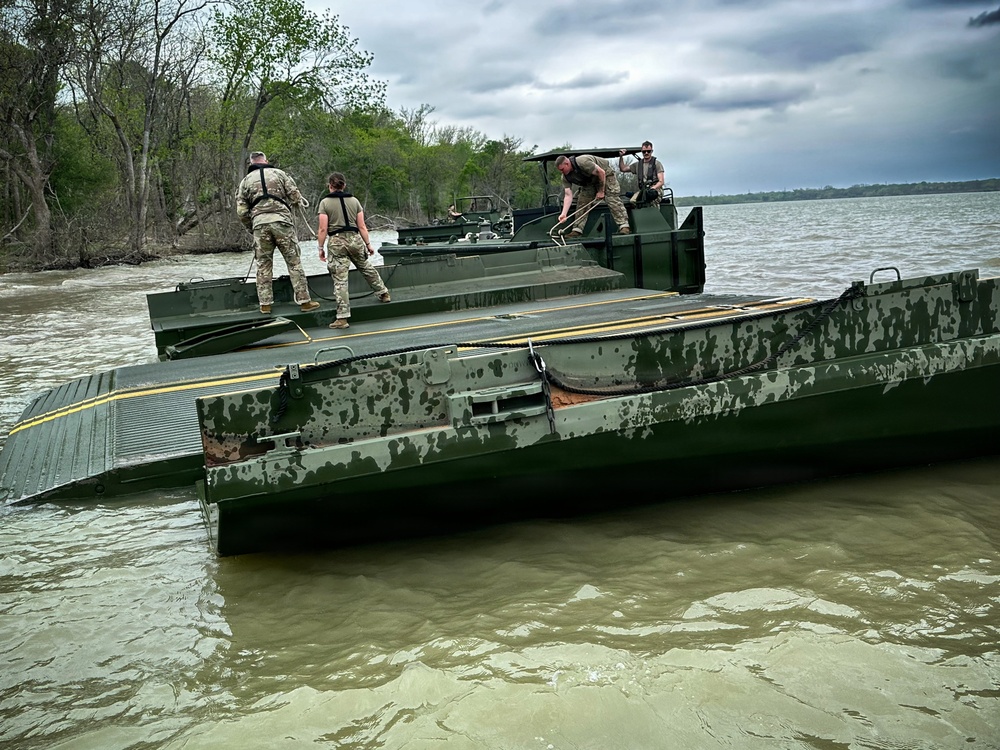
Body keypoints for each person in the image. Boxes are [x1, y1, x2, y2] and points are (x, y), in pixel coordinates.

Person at [236, 151, 320, 314]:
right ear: (266, 160)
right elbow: (295, 197)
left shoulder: (245, 181)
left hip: (260, 224)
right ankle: (304, 302)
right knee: (293, 262)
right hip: (282, 223)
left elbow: (241, 211)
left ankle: (265, 305)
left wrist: (251, 227)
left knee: (263, 265)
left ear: (251, 164)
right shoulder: (280, 174)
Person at [317, 172, 390, 330]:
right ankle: (383, 293)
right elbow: (362, 226)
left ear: (330, 186)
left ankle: (342, 318)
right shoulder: (354, 201)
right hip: (355, 239)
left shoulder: (325, 203)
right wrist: (368, 244)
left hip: (337, 242)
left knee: (340, 280)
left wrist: (320, 248)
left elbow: (323, 228)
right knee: (365, 267)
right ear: (344, 185)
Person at [554, 154, 630, 237]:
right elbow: (568, 195)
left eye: (562, 169)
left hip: (605, 174)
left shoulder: (583, 162)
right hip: (590, 181)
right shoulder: (565, 177)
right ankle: (577, 230)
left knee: (612, 198)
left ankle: (624, 226)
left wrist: (601, 191)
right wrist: (564, 214)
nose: (562, 172)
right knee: (583, 201)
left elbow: (601, 172)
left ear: (567, 164)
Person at [619, 141, 665, 206]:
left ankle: (654, 211)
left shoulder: (657, 164)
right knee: (632, 201)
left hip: (655, 190)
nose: (646, 153)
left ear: (651, 151)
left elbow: (661, 181)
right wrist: (621, 156)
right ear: (642, 151)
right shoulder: (638, 165)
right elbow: (623, 169)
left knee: (650, 199)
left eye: (648, 151)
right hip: (643, 190)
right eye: (644, 151)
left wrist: (653, 188)